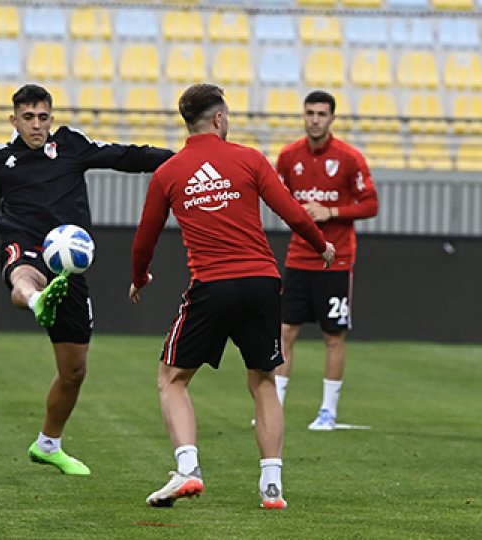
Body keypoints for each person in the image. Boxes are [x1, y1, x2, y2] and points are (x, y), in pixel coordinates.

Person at [129, 83, 335, 509]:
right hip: (262, 283)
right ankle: (272, 487)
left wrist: (140, 276)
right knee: (263, 380)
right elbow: (292, 211)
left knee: (173, 379)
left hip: (213, 285)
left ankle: (187, 470)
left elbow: (144, 238)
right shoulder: (248, 159)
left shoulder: (169, 172)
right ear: (219, 119)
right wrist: (321, 246)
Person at [0, 83, 174, 475]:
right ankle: (36, 298)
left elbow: (124, 156)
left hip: (70, 265)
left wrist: (176, 160)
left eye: (43, 117)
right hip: (24, 245)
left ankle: (48, 445)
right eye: (28, 118)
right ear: (14, 120)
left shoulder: (71, 145)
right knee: (25, 275)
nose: (36, 126)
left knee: (74, 370)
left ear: (51, 118)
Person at [274, 90, 379, 431]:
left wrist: (330, 210)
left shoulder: (349, 158)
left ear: (332, 117)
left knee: (333, 335)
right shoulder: (289, 156)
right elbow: (279, 198)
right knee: (286, 330)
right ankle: (275, 407)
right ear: (303, 116)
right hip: (298, 258)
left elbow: (370, 204)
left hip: (336, 261)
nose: (315, 119)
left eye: (321, 113)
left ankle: (327, 412)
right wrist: (297, 213)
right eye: (310, 113)